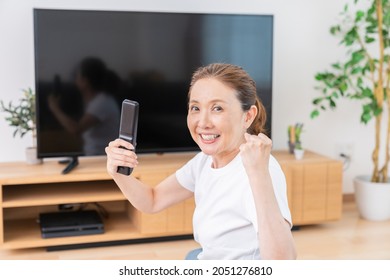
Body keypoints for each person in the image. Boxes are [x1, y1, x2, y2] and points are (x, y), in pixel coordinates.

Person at [105, 63, 297, 260]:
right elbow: (153, 200)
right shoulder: (204, 161)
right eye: (195, 108)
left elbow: (282, 262)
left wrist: (258, 174)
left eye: (217, 108)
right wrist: (117, 172)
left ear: (248, 116)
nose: (203, 122)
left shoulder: (262, 170)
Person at [48, 57, 120, 156]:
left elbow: (76, 129)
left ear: (85, 81)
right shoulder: (94, 99)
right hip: (95, 156)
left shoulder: (102, 103)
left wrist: (54, 108)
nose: (74, 80)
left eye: (77, 76)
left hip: (102, 159)